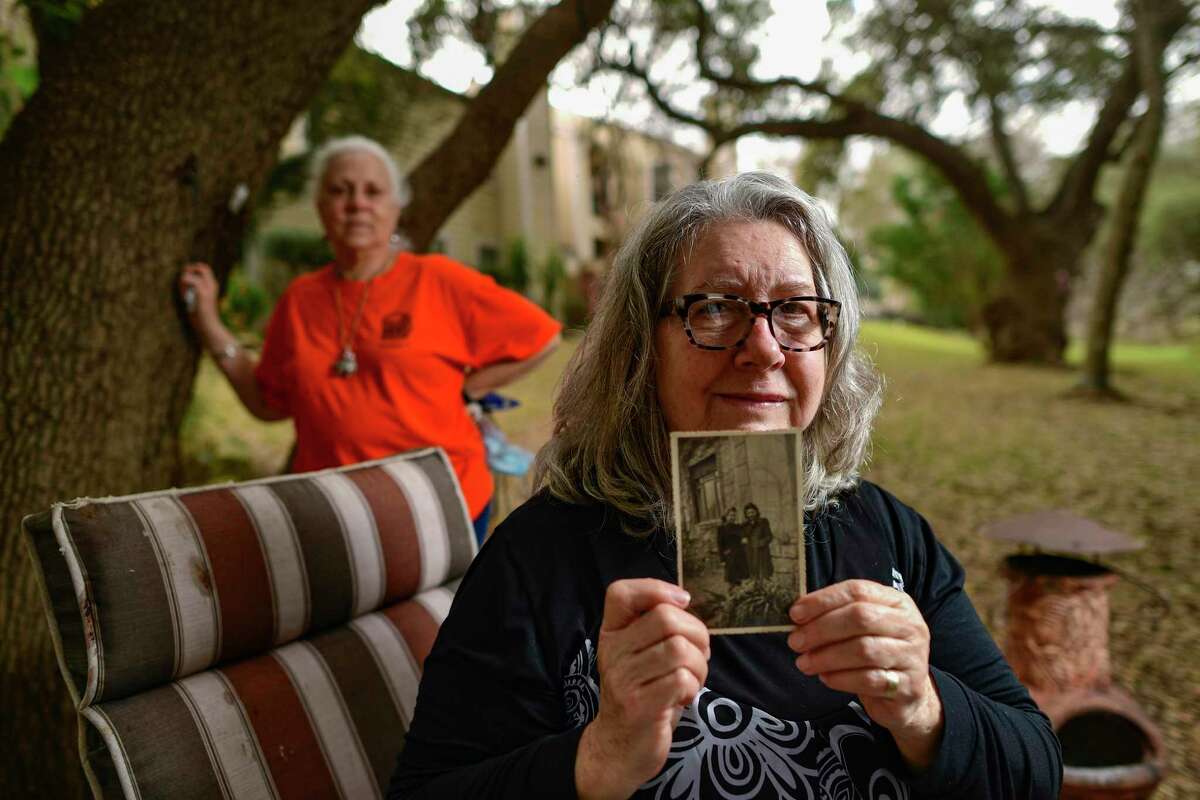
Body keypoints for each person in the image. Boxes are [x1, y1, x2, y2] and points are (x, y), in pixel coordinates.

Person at [389, 172, 1062, 798]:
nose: (764, 347)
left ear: (830, 345)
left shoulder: (887, 536)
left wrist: (924, 708)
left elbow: (1036, 770)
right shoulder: (542, 559)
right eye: (715, 309)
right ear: (640, 349)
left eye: (796, 311)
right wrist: (599, 757)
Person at [179, 136, 561, 545]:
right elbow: (266, 402)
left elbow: (543, 337)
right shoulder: (300, 299)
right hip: (334, 513)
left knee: (442, 613)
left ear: (396, 208)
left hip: (442, 505)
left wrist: (471, 387)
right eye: (340, 190)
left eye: (373, 191)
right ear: (320, 208)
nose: (357, 202)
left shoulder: (438, 280)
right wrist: (209, 324)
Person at [715, 506, 748, 588]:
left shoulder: (738, 527)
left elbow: (743, 537)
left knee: (740, 579)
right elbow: (720, 544)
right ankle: (732, 596)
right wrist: (722, 559)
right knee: (731, 579)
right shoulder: (721, 529)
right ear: (726, 516)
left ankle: (739, 597)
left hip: (739, 555)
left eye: (734, 515)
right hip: (729, 556)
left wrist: (744, 539)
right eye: (730, 515)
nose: (732, 517)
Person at [742, 501, 774, 581]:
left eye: (752, 512)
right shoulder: (744, 525)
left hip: (762, 552)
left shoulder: (763, 522)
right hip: (751, 553)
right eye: (748, 513)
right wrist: (743, 540)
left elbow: (769, 536)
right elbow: (743, 537)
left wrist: (761, 543)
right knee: (753, 575)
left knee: (765, 575)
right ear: (746, 514)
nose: (751, 515)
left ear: (756, 511)